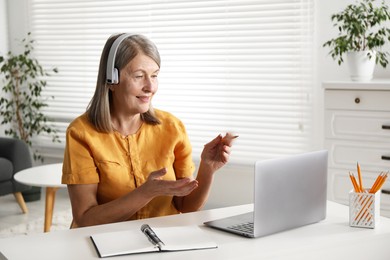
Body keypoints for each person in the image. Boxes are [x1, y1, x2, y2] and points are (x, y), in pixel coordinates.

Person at [62, 33, 235, 228]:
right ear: (111, 80)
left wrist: (207, 168)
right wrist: (146, 192)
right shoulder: (81, 133)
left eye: (154, 76)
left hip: (162, 240)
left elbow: (185, 207)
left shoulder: (172, 127)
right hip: (104, 242)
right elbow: (85, 219)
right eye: (139, 76)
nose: (150, 87)